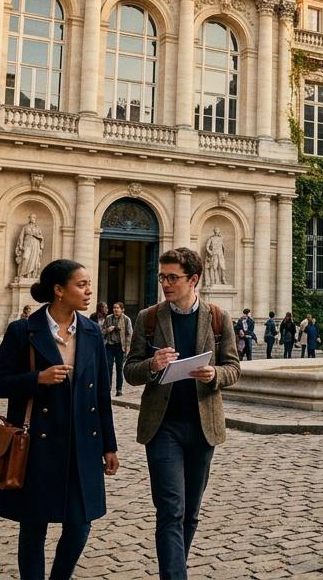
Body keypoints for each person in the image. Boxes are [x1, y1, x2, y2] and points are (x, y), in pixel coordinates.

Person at [0, 259, 119, 580]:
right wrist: (37, 378)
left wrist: (109, 446)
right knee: (34, 526)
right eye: (82, 284)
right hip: (38, 445)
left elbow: (101, 395)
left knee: (80, 524)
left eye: (89, 284)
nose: (90, 291)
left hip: (82, 444)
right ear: (59, 291)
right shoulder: (23, 331)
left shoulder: (91, 331)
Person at [123, 247, 241, 579]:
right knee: (170, 510)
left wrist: (215, 375)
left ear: (194, 279)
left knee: (190, 513)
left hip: (203, 426)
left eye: (173, 277)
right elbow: (129, 371)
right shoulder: (148, 318)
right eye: (163, 277)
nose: (166, 283)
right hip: (162, 427)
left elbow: (233, 367)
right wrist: (152, 364)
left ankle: (175, 569)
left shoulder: (219, 318)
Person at [102, 302, 133, 396]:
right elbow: (102, 331)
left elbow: (129, 334)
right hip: (110, 346)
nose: (115, 309)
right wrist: (108, 330)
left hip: (120, 347)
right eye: (114, 308)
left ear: (122, 310)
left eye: (117, 308)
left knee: (119, 369)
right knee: (108, 368)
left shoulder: (126, 319)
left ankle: (119, 390)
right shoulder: (108, 318)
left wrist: (127, 349)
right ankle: (108, 388)